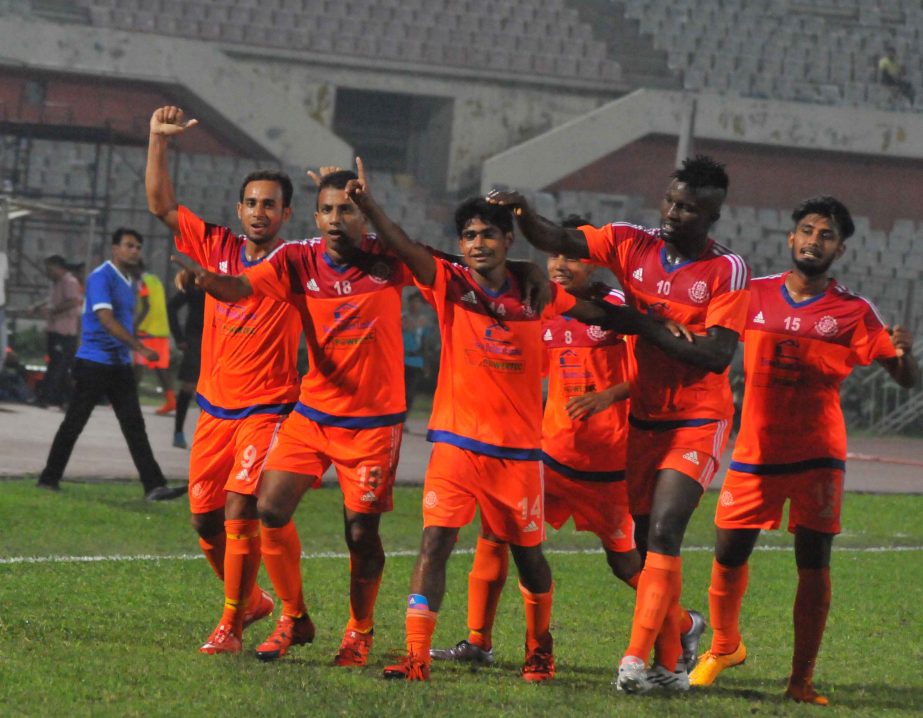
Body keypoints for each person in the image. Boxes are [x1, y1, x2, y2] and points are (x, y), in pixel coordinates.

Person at [338, 161, 632, 682]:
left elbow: (601, 316)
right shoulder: (448, 283)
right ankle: (416, 655)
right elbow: (405, 246)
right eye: (469, 236)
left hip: (519, 453)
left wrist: (660, 328)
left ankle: (540, 649)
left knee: (529, 558)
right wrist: (369, 207)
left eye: (488, 235)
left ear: (507, 239)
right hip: (455, 444)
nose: (478, 244)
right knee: (435, 544)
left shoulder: (535, 291)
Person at [487, 155, 751, 693]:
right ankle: (674, 661)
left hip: (699, 415)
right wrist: (523, 213)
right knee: (647, 548)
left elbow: (717, 355)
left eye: (690, 208)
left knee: (665, 529)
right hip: (645, 418)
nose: (675, 213)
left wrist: (638, 323)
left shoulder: (727, 271)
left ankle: (633, 661)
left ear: (711, 216)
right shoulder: (633, 242)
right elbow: (560, 236)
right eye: (672, 201)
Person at [429, 219, 706, 672]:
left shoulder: (615, 309)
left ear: (594, 261)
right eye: (555, 256)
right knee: (494, 534)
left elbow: (653, 371)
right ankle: (478, 641)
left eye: (572, 257)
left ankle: (684, 624)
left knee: (626, 567)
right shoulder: (543, 307)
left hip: (608, 469)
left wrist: (608, 395)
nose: (560, 265)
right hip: (552, 459)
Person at [688, 196, 919, 704]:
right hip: (755, 450)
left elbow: (904, 378)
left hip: (818, 454)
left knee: (812, 561)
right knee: (728, 551)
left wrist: (905, 354)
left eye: (827, 235)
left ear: (840, 249)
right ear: (791, 239)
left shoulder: (855, 310)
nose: (815, 240)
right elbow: (707, 335)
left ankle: (801, 680)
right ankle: (724, 646)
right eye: (808, 231)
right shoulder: (752, 293)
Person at [147, 105, 302, 654]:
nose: (260, 212)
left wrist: (205, 280)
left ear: (286, 214)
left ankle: (232, 624)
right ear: (239, 209)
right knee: (203, 520)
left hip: (266, 410)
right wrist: (158, 140)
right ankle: (257, 602)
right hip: (216, 409)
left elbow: (233, 288)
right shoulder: (216, 241)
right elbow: (162, 205)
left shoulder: (294, 264)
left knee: (242, 508)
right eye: (252, 203)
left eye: (271, 205)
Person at [35, 229, 186, 502]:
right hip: (94, 362)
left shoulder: (129, 281)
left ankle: (154, 486)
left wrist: (133, 335)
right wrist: (139, 346)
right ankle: (48, 478)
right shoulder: (100, 277)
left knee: (134, 425)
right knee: (74, 423)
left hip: (119, 365)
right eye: (129, 246)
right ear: (115, 249)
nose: (134, 251)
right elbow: (105, 318)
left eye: (138, 247)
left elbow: (129, 316)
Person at [37, 255, 83, 407]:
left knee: (59, 366)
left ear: (59, 268)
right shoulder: (55, 283)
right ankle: (65, 399)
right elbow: (52, 300)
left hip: (65, 331)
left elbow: (73, 301)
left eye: (50, 269)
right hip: (54, 328)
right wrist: (39, 308)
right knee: (58, 365)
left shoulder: (69, 282)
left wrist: (54, 311)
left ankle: (47, 397)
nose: (48, 272)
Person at [166, 280, 205, 448]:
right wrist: (179, 337)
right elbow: (171, 306)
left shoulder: (228, 280)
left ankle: (207, 436)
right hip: (195, 340)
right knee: (189, 385)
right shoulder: (197, 282)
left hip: (218, 340)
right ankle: (179, 432)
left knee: (213, 390)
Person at [133, 263, 175, 415]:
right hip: (161, 330)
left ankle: (129, 400)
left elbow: (146, 307)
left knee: (138, 365)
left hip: (147, 330)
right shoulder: (155, 280)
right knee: (161, 367)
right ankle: (171, 400)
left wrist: (135, 325)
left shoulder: (142, 282)